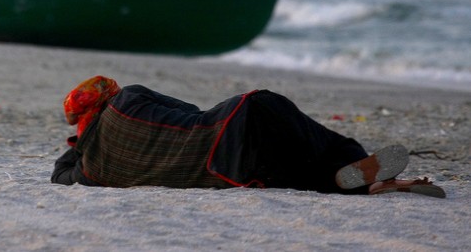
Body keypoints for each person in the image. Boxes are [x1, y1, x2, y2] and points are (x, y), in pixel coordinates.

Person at [51, 75, 445, 197]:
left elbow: (61, 175)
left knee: (302, 174)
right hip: (244, 119)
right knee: (324, 146)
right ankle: (366, 167)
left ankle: (370, 186)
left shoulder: (93, 171)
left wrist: (77, 150)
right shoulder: (129, 100)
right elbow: (190, 113)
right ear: (108, 97)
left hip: (235, 172)